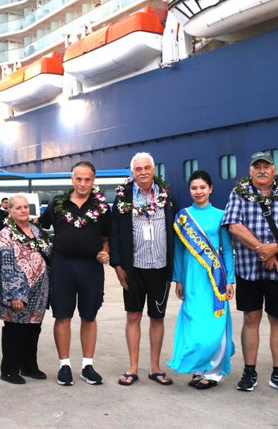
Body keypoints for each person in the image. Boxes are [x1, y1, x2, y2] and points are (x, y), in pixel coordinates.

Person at [221, 151, 278, 395]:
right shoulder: (239, 192)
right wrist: (263, 250)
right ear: (250, 171)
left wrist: (276, 248)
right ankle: (250, 372)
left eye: (266, 166)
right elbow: (234, 226)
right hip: (248, 270)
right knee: (251, 318)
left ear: (274, 170)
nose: (261, 170)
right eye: (257, 166)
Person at [39, 161, 111, 386]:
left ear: (93, 180)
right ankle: (64, 366)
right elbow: (39, 227)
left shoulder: (101, 207)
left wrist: (105, 253)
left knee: (89, 315)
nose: (82, 183)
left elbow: (107, 239)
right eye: (78, 179)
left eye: (87, 179)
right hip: (62, 266)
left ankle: (87, 365)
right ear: (72, 180)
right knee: (63, 315)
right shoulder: (58, 204)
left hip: (91, 267)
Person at [110, 152, 176, 386]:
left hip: (160, 267)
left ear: (154, 169)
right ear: (132, 172)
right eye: (138, 169)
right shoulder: (123, 198)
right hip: (133, 268)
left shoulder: (166, 195)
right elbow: (115, 233)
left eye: (147, 167)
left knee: (157, 317)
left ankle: (156, 368)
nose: (143, 172)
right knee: (134, 316)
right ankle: (133, 367)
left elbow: (175, 231)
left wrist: (175, 270)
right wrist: (118, 265)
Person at [168, 170, 235, 389]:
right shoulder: (183, 216)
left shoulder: (220, 215)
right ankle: (199, 369)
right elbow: (178, 250)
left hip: (214, 279)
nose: (198, 192)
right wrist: (178, 279)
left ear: (211, 189)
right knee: (194, 324)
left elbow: (226, 250)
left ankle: (213, 373)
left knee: (215, 325)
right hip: (191, 278)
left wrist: (230, 279)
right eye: (194, 188)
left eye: (202, 187)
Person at [0, 194, 52, 384]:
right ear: (9, 211)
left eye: (26, 207)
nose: (23, 210)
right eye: (18, 208)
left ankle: (29, 366)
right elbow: (6, 266)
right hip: (18, 290)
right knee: (14, 330)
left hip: (40, 289)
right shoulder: (6, 234)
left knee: (33, 329)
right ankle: (9, 370)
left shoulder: (36, 230)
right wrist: (13, 295)